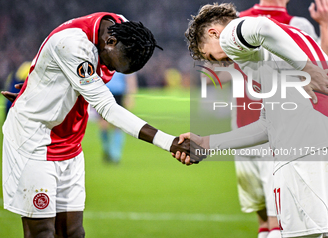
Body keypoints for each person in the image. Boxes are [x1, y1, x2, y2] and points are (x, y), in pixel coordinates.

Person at [1, 12, 196, 238]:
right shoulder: (74, 45)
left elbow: (50, 61)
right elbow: (108, 109)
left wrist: (35, 90)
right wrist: (168, 141)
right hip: (34, 139)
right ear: (110, 42)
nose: (111, 71)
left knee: (73, 232)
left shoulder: (120, 27)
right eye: (114, 65)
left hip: (70, 143)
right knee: (42, 232)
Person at [180, 2, 328, 238]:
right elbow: (268, 124)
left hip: (302, 151)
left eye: (208, 55)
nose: (216, 63)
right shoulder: (291, 39)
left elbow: (260, 27)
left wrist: (303, 67)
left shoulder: (231, 35)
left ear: (213, 33)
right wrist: (208, 143)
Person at [98, 72, 138, 163]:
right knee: (103, 123)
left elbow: (130, 78)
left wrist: (130, 97)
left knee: (118, 124)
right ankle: (107, 149)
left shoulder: (124, 61)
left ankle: (116, 154)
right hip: (104, 92)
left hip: (119, 93)